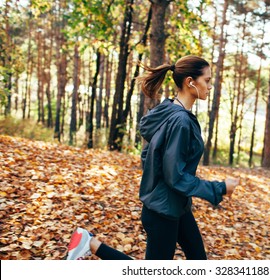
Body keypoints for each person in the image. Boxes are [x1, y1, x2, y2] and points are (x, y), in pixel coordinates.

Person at [66, 55, 239, 260]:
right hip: (163, 211)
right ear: (190, 82)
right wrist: (219, 188)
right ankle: (91, 244)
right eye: (207, 81)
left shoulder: (169, 110)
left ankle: (90, 243)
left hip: (176, 206)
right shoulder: (181, 121)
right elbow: (175, 175)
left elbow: (150, 155)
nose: (210, 86)